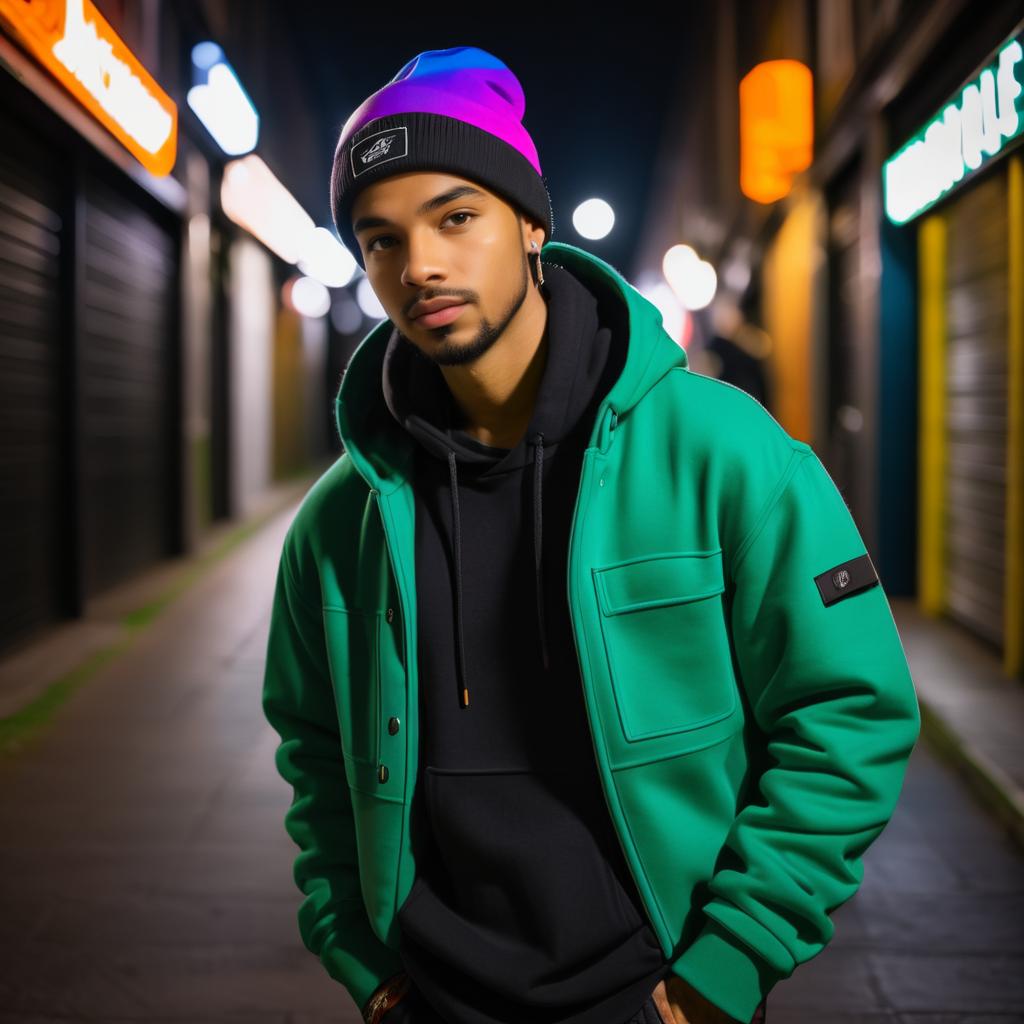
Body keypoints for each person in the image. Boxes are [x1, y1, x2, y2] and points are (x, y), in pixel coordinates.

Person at [262, 45, 921, 1024]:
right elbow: (313, 753)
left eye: (455, 217)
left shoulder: (721, 451)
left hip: (655, 993)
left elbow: (850, 709)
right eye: (381, 238)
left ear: (531, 221)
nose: (421, 265)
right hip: (429, 997)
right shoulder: (338, 522)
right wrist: (365, 961)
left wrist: (722, 969)